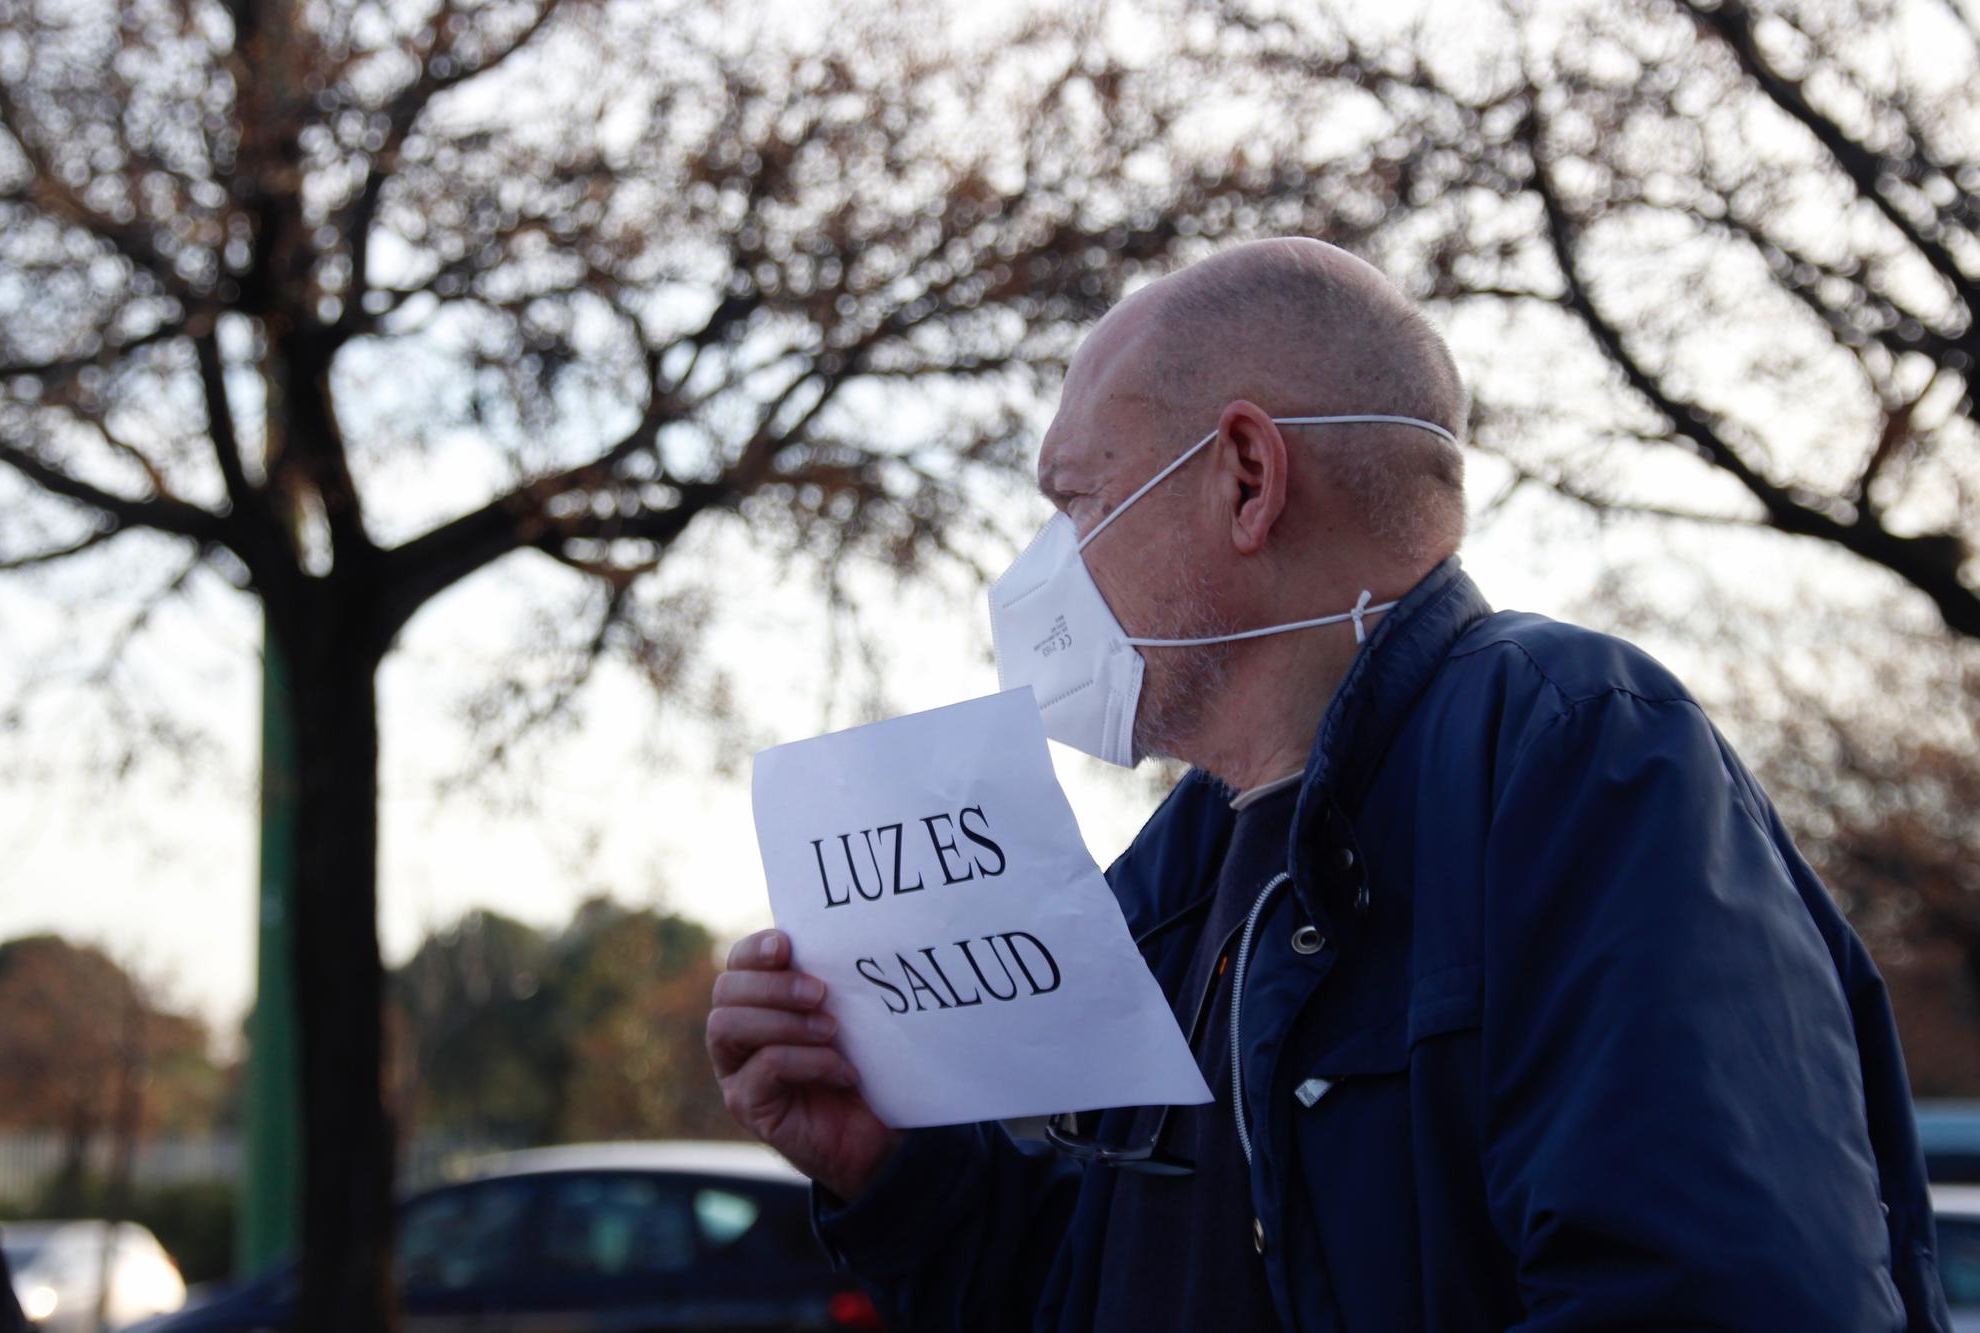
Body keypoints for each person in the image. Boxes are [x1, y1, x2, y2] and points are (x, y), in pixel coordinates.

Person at [706, 237, 1949, 1330]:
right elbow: (1125, 1288)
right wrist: (897, 1170)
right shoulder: (1174, 882)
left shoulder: (1574, 755)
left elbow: (1716, 1295)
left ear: (1244, 477)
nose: (1044, 567)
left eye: (1074, 499)